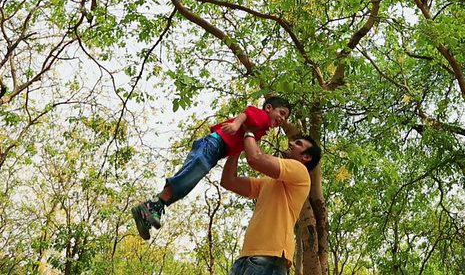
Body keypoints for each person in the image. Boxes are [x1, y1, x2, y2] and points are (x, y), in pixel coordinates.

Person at [132, 96, 292, 240]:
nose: (282, 119)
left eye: (285, 117)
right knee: (190, 175)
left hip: (216, 149)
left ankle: (153, 209)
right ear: (269, 108)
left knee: (189, 180)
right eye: (282, 113)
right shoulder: (263, 117)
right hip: (214, 144)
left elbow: (241, 142)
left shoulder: (260, 129)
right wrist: (236, 125)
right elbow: (248, 113)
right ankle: (150, 206)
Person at [221, 130, 322, 275]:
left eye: (298, 143)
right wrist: (236, 149)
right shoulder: (268, 183)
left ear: (306, 157)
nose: (291, 143)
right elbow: (228, 181)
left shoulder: (300, 170)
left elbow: (255, 158)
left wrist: (248, 131)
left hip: (270, 258)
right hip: (246, 257)